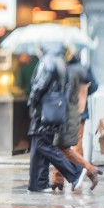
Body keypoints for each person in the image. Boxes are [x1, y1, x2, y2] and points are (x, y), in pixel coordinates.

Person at [26, 43, 86, 193]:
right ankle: (37, 183)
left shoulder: (48, 62)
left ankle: (74, 172)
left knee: (42, 144)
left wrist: (31, 102)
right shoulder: (60, 63)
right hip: (52, 110)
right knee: (38, 145)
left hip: (44, 111)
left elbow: (39, 87)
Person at [50, 49, 101, 191]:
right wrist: (84, 91)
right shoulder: (84, 69)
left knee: (60, 145)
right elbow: (95, 86)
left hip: (67, 112)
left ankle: (60, 178)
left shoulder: (65, 69)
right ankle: (79, 173)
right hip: (81, 112)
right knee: (74, 144)